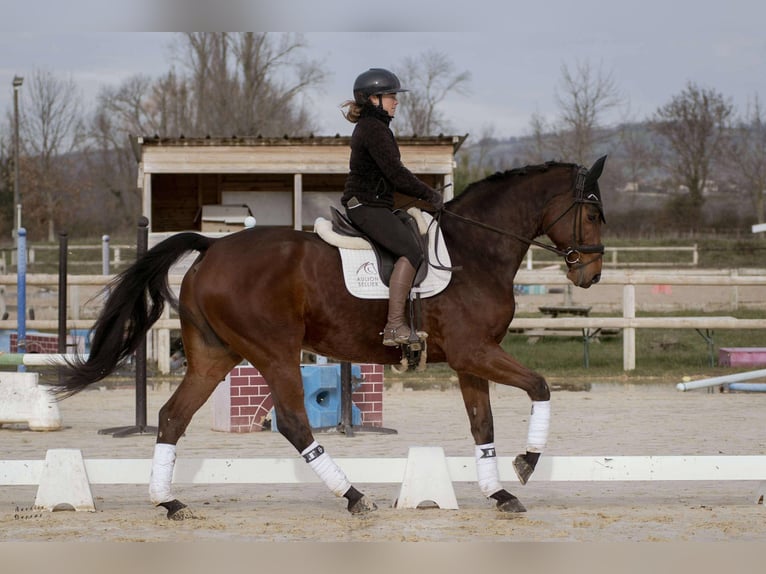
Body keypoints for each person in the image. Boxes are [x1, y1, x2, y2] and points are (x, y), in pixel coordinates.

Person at [340, 68, 443, 346]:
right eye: (390, 96)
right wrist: (429, 194)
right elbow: (396, 174)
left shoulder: (375, 127)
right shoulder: (374, 130)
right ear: (373, 99)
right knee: (410, 250)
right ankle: (395, 326)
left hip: (374, 204)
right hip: (365, 206)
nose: (396, 101)